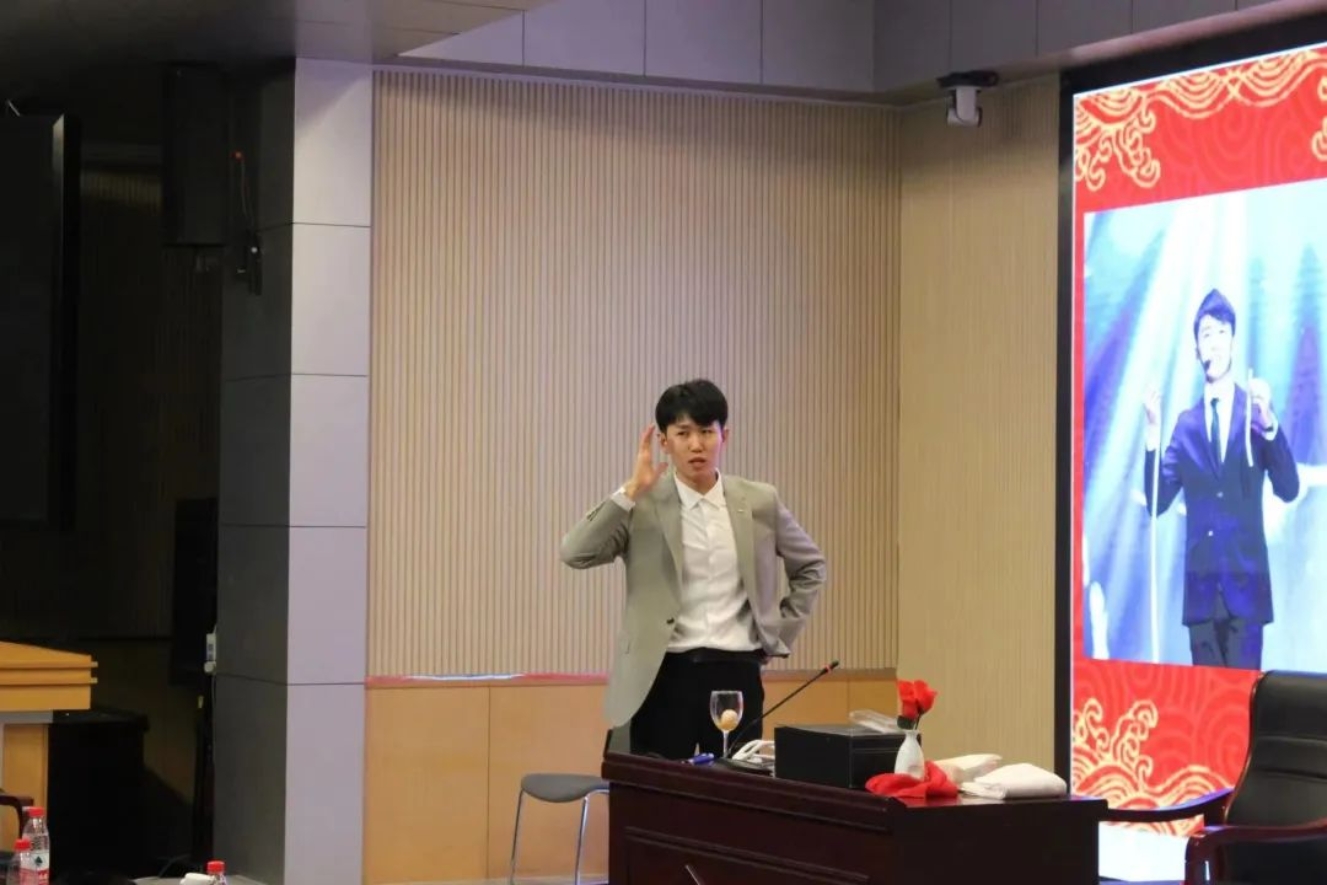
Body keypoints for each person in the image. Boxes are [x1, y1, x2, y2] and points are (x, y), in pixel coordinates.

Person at [560, 379, 827, 758]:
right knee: (661, 789)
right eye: (683, 433)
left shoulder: (759, 501)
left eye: (706, 432)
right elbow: (575, 553)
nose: (697, 445)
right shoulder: (643, 504)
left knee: (734, 789)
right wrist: (630, 491)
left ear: (724, 436)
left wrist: (779, 632)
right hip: (663, 672)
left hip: (737, 671)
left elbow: (811, 566)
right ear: (664, 441)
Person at [1143, 289, 1299, 669]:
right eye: (1206, 334)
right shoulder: (1186, 426)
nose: (1213, 342)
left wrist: (1270, 426)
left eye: (1220, 333)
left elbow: (1289, 488)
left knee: (1242, 700)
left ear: (1232, 343)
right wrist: (1151, 432)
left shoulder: (1253, 413)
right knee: (1206, 703)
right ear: (1196, 349)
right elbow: (1156, 502)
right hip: (1201, 598)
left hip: (1246, 591)